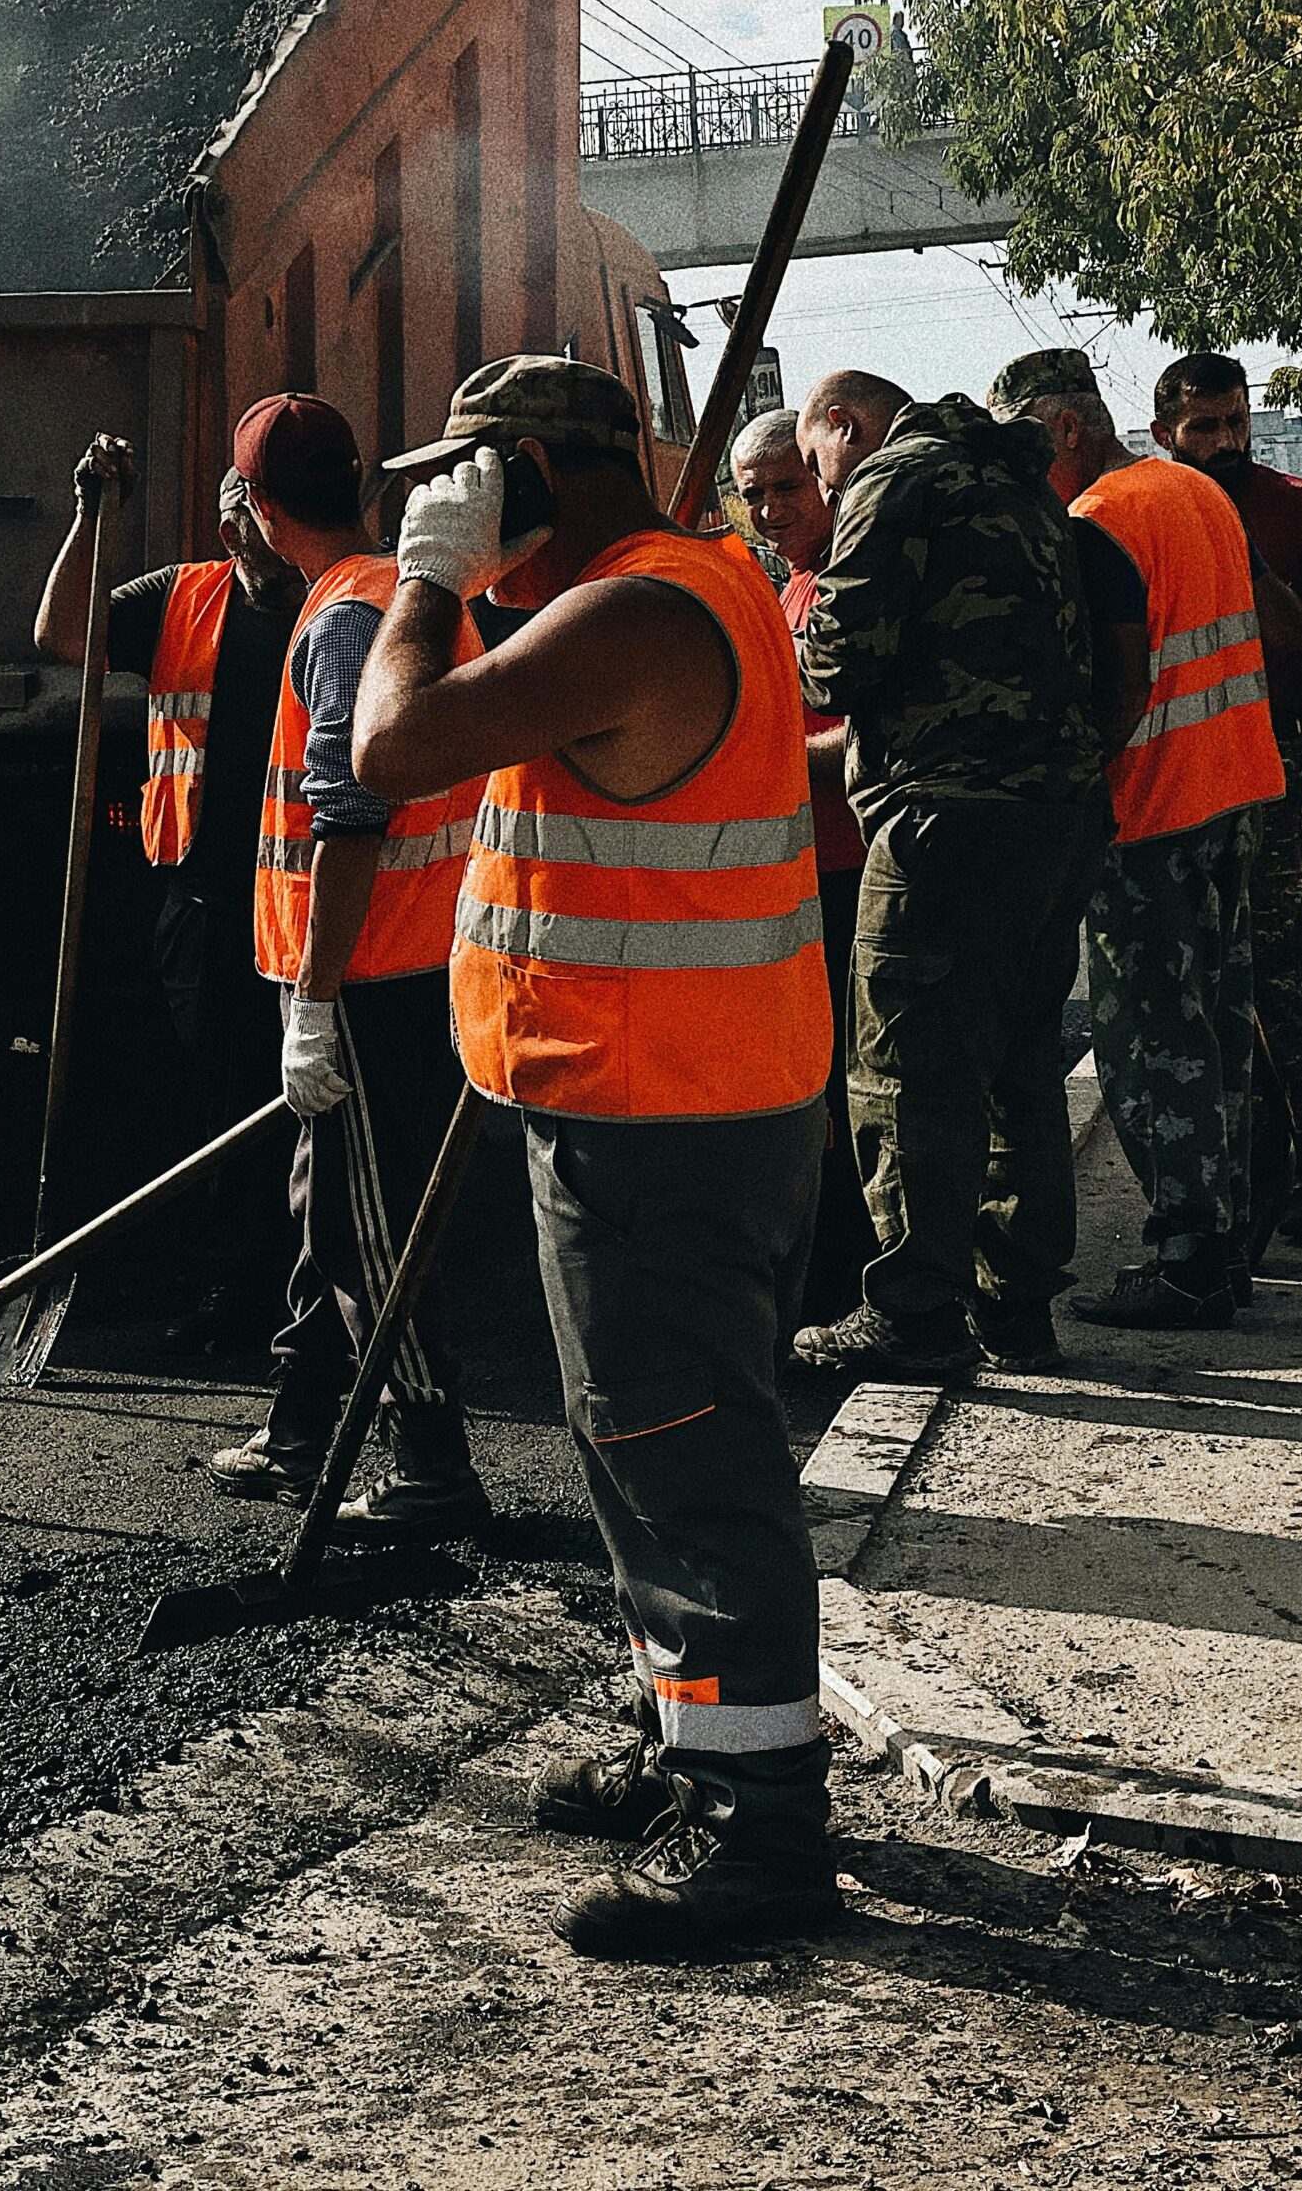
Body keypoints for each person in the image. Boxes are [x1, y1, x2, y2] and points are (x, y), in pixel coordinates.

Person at [356, 356, 837, 1959]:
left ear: (536, 481)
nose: (447, 505)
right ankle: (689, 1739)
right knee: (643, 1449)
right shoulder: (653, 591)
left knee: (689, 1459)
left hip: (668, 1121)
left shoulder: (637, 614)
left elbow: (394, 745)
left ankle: (759, 1834)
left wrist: (425, 583)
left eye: (471, 478)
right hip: (658, 1105)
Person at [209, 392, 490, 1541]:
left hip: (368, 971)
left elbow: (349, 818)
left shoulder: (337, 624)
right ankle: (300, 1421)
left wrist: (314, 1003)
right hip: (417, 956)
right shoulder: (401, 597)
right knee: (330, 1204)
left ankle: (430, 1464)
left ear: (263, 513)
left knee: (365, 1231)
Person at [792, 370, 1111, 1379]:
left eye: (812, 461)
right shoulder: (1021, 482)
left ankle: (914, 1308)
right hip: (1053, 813)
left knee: (906, 1070)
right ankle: (1015, 1303)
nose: (822, 481)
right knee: (1019, 1060)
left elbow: (840, 663)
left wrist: (791, 641)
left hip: (943, 819)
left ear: (841, 425)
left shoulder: (895, 480)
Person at [989, 349, 1294, 1326]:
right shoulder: (1193, 491)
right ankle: (1227, 1243)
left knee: (1151, 1041)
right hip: (1234, 790)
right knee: (1217, 1034)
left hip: (1152, 811)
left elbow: (1114, 686)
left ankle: (1189, 1265)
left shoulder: (1098, 521)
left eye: (1019, 442)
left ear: (1060, 428)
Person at [34, 439, 304, 1355]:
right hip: (203, 897)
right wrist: (88, 514)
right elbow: (63, 636)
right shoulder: (182, 598)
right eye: (251, 528)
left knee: (302, 1102)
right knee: (224, 1097)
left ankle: (301, 1289)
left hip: (310, 897)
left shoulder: (341, 599)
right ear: (231, 527)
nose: (266, 546)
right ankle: (240, 1288)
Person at [734, 407, 876, 1324]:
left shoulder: (858, 582)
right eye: (752, 496)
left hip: (849, 872)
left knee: (849, 1091)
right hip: (797, 876)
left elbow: (868, 740)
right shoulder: (787, 587)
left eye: (787, 486)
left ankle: (846, 1281)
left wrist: (755, 755)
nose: (770, 509)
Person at [1153, 352, 1302, 594]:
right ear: (1163, 436)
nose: (1226, 442)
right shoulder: (1147, 518)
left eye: (1236, 421)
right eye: (1204, 427)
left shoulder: (1293, 505)